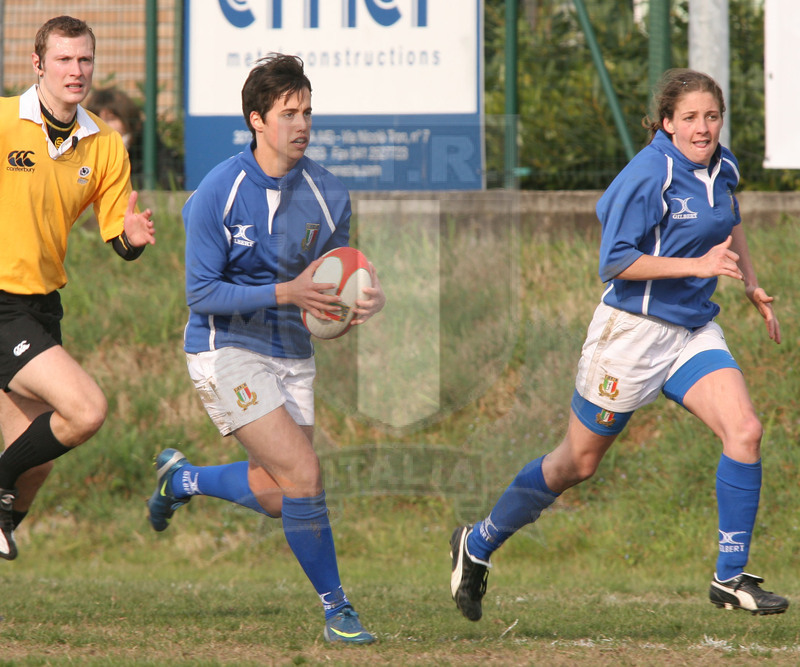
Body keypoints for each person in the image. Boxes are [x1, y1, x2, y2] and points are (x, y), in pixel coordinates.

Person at [449, 68, 788, 621]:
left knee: (744, 429)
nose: (703, 128)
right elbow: (615, 261)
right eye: (690, 118)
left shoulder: (722, 164)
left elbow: (732, 220)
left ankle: (730, 578)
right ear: (666, 123)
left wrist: (750, 282)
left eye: (711, 116)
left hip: (691, 331)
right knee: (576, 463)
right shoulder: (649, 172)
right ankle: (478, 543)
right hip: (631, 335)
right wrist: (698, 264)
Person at [146, 54, 384, 644]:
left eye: (307, 112)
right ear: (256, 119)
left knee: (281, 494)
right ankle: (338, 610)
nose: (301, 124)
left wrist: (350, 308)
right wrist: (288, 290)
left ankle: (185, 481)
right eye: (288, 113)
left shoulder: (329, 193)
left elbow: (328, 290)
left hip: (292, 351)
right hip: (223, 346)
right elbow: (200, 292)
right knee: (304, 475)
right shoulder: (215, 195)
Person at [0, 15, 156, 560]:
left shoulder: (105, 145)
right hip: (1, 305)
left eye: (84, 59)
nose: (76, 71)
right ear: (38, 64)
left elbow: (120, 236)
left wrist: (132, 237)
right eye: (64, 60)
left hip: (42, 307)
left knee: (35, 462)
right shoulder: (3, 122)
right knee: (86, 409)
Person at [84, 86, 184, 189]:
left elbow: (167, 179)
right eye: (98, 119)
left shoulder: (149, 145)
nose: (103, 125)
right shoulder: (83, 146)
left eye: (111, 119)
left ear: (128, 121)